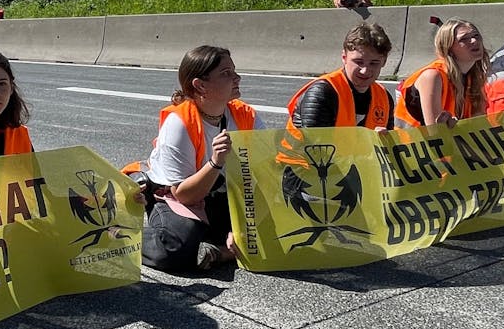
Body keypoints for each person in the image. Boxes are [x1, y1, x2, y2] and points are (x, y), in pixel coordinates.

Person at [135, 45, 260, 272]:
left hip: (224, 196)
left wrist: (244, 225)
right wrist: (215, 162)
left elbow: (262, 175)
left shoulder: (246, 116)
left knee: (286, 224)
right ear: (200, 85)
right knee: (175, 247)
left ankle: (222, 251)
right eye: (226, 74)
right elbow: (184, 195)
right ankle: (121, 236)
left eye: (234, 71)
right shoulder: (179, 122)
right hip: (174, 195)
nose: (237, 78)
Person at [289, 22, 394, 131]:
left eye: (374, 63)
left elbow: (390, 145)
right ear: (344, 57)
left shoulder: (384, 97)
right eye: (358, 62)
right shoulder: (322, 92)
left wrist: (384, 141)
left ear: (384, 62)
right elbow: (317, 145)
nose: (365, 71)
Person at [395, 18, 488, 128]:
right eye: (464, 39)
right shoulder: (432, 76)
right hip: (411, 142)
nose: (474, 41)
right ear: (448, 48)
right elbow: (435, 131)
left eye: (476, 36)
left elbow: (478, 126)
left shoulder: (475, 77)